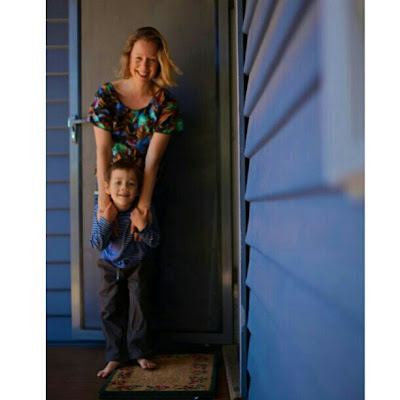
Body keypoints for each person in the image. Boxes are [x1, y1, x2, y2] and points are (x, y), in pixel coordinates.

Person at [87, 26, 183, 235]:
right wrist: (104, 202)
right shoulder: (106, 95)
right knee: (109, 248)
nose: (144, 66)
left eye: (151, 60)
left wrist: (143, 205)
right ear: (128, 58)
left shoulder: (166, 104)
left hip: (145, 189)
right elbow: (103, 150)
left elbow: (153, 159)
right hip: (111, 189)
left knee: (146, 249)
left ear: (160, 63)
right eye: (138, 58)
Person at [90, 159, 160, 378]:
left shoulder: (143, 210)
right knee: (108, 309)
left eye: (130, 184)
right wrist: (106, 221)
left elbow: (155, 241)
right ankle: (115, 356)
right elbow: (96, 244)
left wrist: (143, 226)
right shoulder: (101, 210)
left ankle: (138, 352)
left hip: (136, 265)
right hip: (109, 265)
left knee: (139, 306)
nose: (124, 188)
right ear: (107, 187)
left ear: (138, 189)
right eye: (118, 183)